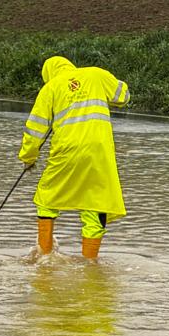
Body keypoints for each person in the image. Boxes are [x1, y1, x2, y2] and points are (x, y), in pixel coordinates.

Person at [18, 54, 130, 261]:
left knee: (46, 198)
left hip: (65, 152)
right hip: (99, 153)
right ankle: (90, 264)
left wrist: (28, 158)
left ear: (49, 74)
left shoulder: (50, 88)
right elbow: (123, 95)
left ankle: (45, 255)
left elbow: (35, 131)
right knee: (95, 204)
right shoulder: (97, 74)